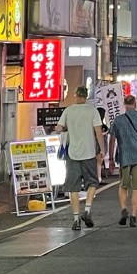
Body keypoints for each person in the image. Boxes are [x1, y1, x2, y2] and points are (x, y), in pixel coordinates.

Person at [55, 86, 106, 231]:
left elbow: (59, 128)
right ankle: (87, 210)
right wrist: (102, 149)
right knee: (92, 182)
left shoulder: (68, 110)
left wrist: (64, 129)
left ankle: (76, 219)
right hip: (89, 153)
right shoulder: (92, 111)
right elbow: (98, 132)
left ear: (75, 95)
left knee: (73, 187)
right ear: (86, 96)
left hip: (73, 154)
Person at [109, 95, 137, 228]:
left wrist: (110, 158)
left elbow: (112, 140)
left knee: (123, 185)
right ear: (135, 104)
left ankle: (124, 209)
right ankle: (133, 216)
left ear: (124, 104)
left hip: (124, 157)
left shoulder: (118, 120)